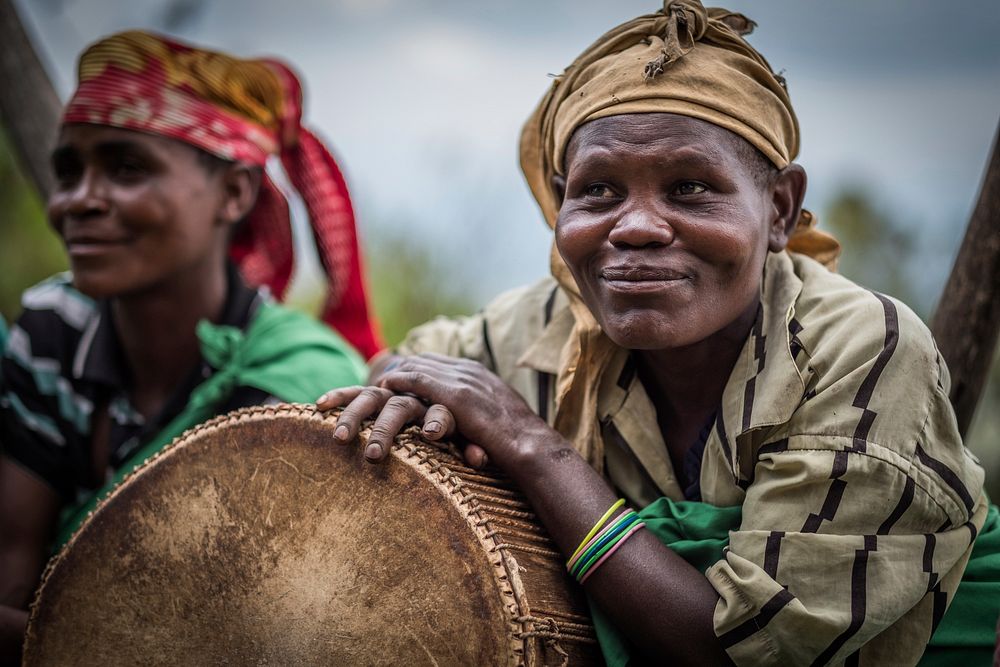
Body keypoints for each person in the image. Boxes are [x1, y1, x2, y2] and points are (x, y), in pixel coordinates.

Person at [318, 2, 998, 665]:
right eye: (600, 191)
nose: (636, 225)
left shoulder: (859, 350)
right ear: (561, 206)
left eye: (691, 187)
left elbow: (740, 652)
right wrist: (403, 395)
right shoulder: (548, 325)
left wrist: (529, 444)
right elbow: (407, 364)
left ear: (780, 208)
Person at [0, 31, 376, 663]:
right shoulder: (54, 324)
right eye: (69, 171)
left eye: (126, 168)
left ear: (233, 194)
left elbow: (192, 638)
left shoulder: (299, 380)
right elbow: (13, 566)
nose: (77, 202)